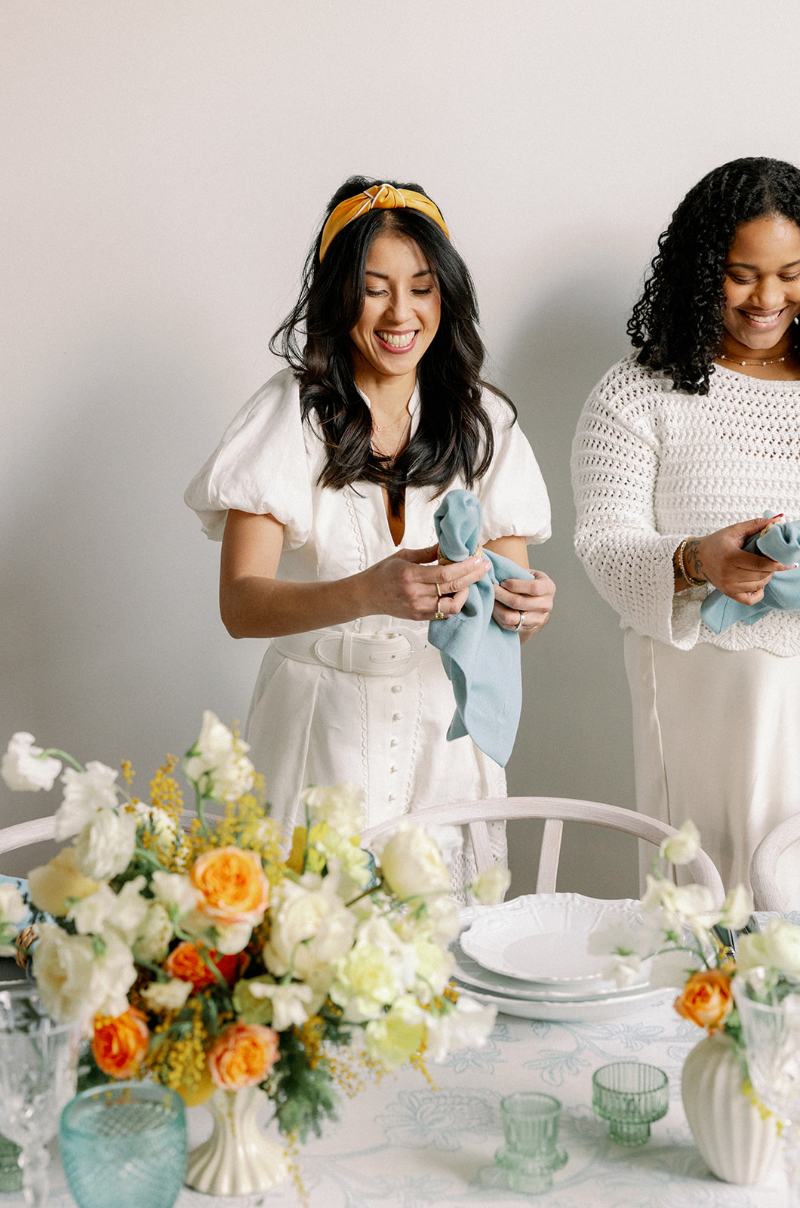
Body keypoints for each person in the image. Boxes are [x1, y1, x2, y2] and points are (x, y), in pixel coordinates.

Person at [186, 177, 553, 884]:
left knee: (447, 947)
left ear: (445, 294)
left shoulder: (485, 423)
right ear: (336, 294)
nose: (400, 312)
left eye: (420, 287)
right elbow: (240, 604)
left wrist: (527, 607)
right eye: (374, 287)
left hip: (443, 738)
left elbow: (511, 610)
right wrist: (369, 592)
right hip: (316, 732)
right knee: (310, 950)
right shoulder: (286, 416)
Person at [572, 156, 800, 903]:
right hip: (701, 697)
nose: (768, 298)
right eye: (743, 274)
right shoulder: (638, 394)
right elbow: (602, 542)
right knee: (707, 903)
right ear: (702, 270)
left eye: (791, 272)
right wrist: (698, 560)